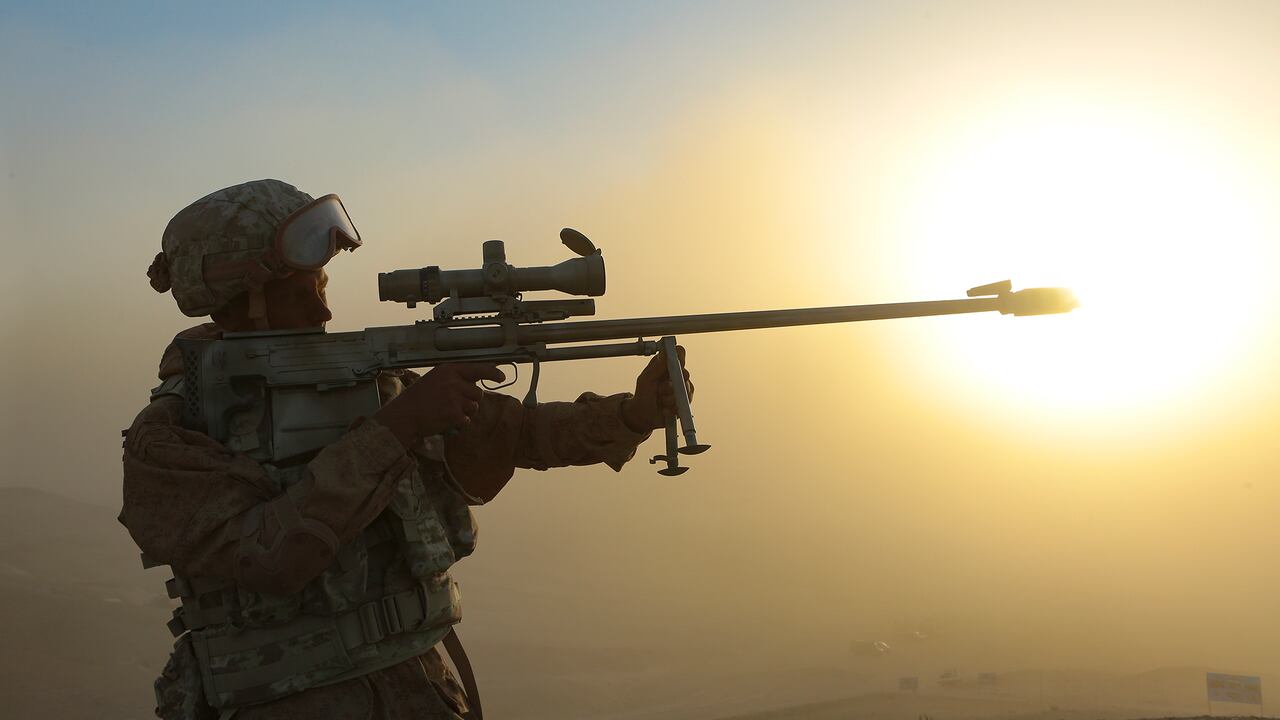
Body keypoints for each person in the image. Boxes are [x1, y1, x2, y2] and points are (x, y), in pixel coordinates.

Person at [121, 179, 692, 720]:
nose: (324, 313)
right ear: (244, 299)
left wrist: (634, 413)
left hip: (419, 687)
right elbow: (270, 557)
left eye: (323, 288)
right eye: (302, 294)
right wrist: (394, 430)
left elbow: (519, 434)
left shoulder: (371, 383)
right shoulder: (171, 436)